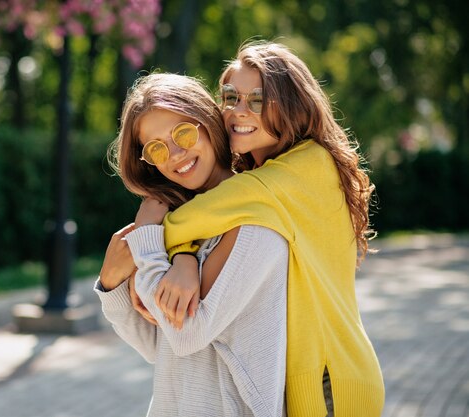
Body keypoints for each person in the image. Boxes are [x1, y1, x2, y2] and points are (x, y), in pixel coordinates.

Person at [150, 40, 385, 416]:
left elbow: (182, 220)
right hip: (317, 380)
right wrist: (184, 257)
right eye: (230, 97)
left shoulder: (303, 167)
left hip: (329, 385)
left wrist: (169, 245)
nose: (237, 111)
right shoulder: (264, 177)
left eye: (257, 100)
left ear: (291, 104)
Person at [95, 73, 288, 417]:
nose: (174, 154)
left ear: (209, 122)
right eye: (155, 148)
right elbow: (158, 345)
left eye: (183, 133)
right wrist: (111, 285)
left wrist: (151, 245)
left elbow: (186, 336)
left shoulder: (255, 220)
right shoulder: (175, 228)